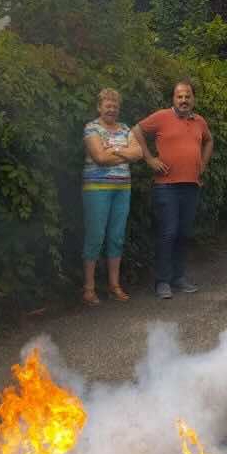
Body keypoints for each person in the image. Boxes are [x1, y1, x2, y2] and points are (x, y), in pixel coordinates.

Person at [132, 80, 213, 299]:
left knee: (184, 233)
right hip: (166, 186)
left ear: (193, 99)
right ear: (173, 99)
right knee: (168, 233)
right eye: (180, 96)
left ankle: (178, 277)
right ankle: (162, 281)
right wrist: (149, 159)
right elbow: (136, 130)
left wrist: (202, 165)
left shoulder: (199, 122)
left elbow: (208, 141)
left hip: (191, 185)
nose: (184, 100)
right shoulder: (161, 117)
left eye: (187, 96)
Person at [82, 88, 142, 305]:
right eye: (107, 105)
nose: (111, 109)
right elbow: (99, 157)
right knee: (95, 236)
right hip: (96, 189)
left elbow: (138, 153)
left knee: (116, 237)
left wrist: (113, 151)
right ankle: (88, 289)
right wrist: (123, 151)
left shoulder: (126, 128)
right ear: (99, 107)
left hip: (122, 189)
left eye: (115, 106)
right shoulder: (91, 128)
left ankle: (113, 285)